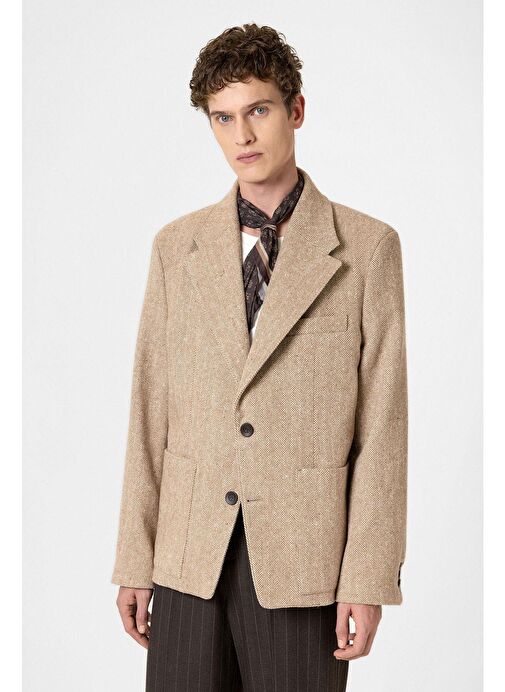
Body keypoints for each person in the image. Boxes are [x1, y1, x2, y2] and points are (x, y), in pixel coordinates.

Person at [111, 22, 408, 692]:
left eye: (258, 111)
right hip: (187, 557)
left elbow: (383, 427)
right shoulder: (175, 249)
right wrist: (134, 557)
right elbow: (149, 409)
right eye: (223, 118)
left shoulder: (368, 250)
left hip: (303, 562)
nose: (241, 135)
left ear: (295, 109)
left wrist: (367, 576)